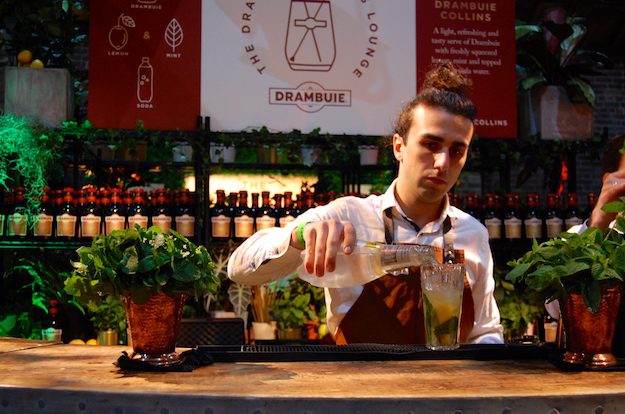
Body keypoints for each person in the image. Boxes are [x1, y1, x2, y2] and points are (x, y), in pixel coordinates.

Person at [228, 63, 504, 345]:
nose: (443, 163)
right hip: (360, 385)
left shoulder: (473, 234)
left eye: (457, 151)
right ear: (399, 146)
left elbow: (486, 331)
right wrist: (299, 236)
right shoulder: (349, 216)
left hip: (446, 386)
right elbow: (239, 269)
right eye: (431, 145)